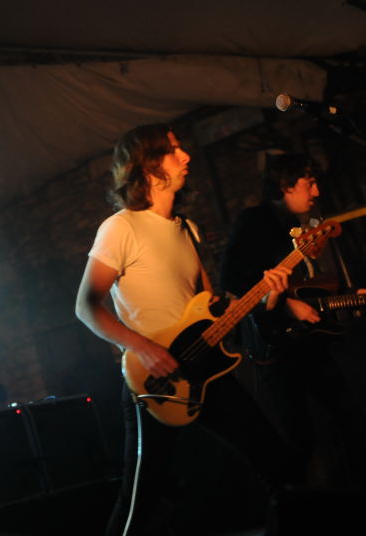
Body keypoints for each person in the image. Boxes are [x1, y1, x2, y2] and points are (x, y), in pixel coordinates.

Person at [74, 124, 299, 535]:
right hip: (155, 380)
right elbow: (85, 306)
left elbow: (213, 308)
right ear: (147, 165)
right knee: (140, 500)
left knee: (279, 467)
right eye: (174, 150)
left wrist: (265, 296)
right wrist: (144, 348)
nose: (186, 156)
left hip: (205, 371)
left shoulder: (187, 230)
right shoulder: (121, 228)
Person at [219, 153, 366, 488]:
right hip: (274, 344)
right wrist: (287, 305)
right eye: (309, 183)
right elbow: (231, 280)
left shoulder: (298, 226)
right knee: (299, 435)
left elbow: (307, 286)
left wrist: (348, 294)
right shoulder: (254, 220)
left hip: (307, 339)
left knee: (347, 416)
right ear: (286, 185)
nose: (316, 191)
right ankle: (293, 502)